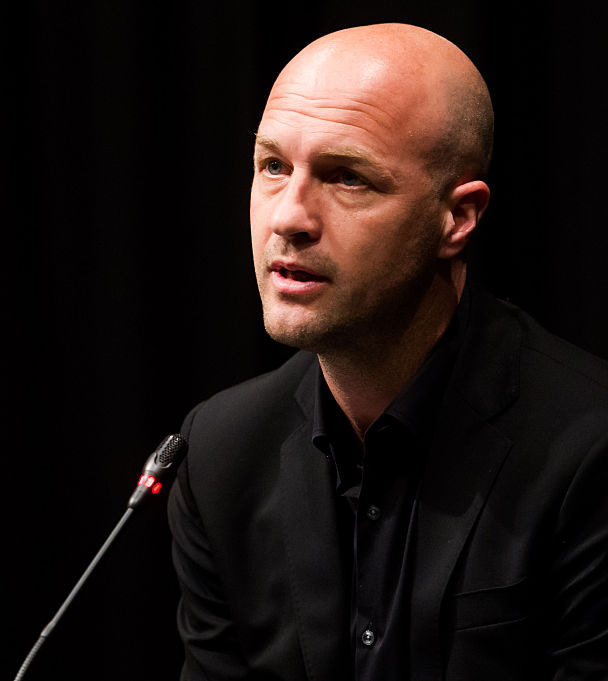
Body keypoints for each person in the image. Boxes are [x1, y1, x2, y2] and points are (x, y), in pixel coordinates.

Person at [167, 23, 608, 681]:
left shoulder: (588, 446)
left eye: (346, 177)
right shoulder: (221, 452)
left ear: (457, 218)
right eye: (274, 166)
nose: (289, 216)